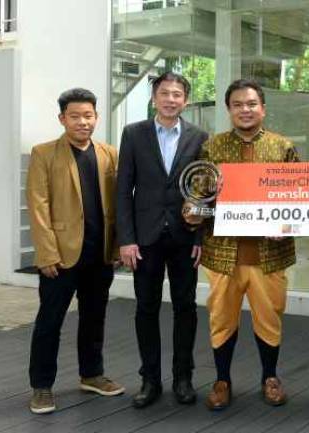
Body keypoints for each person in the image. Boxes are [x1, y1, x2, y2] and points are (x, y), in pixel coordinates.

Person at [184, 79, 298, 411]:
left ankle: (270, 378)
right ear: (229, 109)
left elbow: (299, 200)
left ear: (263, 108)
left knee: (270, 319)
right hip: (223, 254)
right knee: (221, 320)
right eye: (237, 105)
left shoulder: (283, 147)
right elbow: (196, 203)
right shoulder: (212, 148)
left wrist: (286, 225)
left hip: (270, 254)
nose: (245, 110)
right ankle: (222, 381)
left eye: (251, 104)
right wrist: (201, 206)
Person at [26, 88, 124, 414]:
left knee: (94, 318)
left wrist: (117, 246)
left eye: (88, 115)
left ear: (96, 117)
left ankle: (92, 374)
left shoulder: (109, 153)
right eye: (75, 116)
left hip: (100, 254)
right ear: (62, 119)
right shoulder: (44, 153)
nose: (83, 122)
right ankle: (42, 387)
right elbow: (38, 206)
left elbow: (119, 203)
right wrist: (46, 254)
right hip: (60, 256)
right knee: (49, 322)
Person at [116, 72, 209, 408]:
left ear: (186, 100)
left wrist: (199, 236)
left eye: (177, 94)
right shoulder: (133, 134)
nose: (171, 99)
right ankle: (150, 380)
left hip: (185, 237)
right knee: (146, 308)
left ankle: (183, 378)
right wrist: (126, 239)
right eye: (165, 93)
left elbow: (204, 190)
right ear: (154, 98)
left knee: (186, 307)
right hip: (145, 237)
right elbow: (123, 190)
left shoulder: (199, 137)